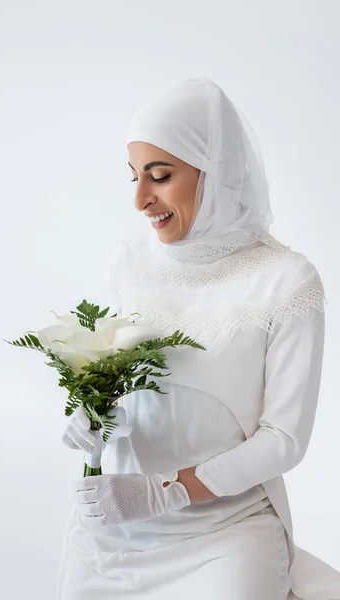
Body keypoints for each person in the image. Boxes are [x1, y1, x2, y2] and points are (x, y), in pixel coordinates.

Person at [55, 77, 340, 599]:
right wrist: (92, 416)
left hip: (226, 533)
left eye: (160, 176)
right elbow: (118, 375)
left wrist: (166, 492)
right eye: (134, 176)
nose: (141, 199)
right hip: (118, 530)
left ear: (217, 173)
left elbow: (284, 440)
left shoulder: (286, 280)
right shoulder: (130, 261)